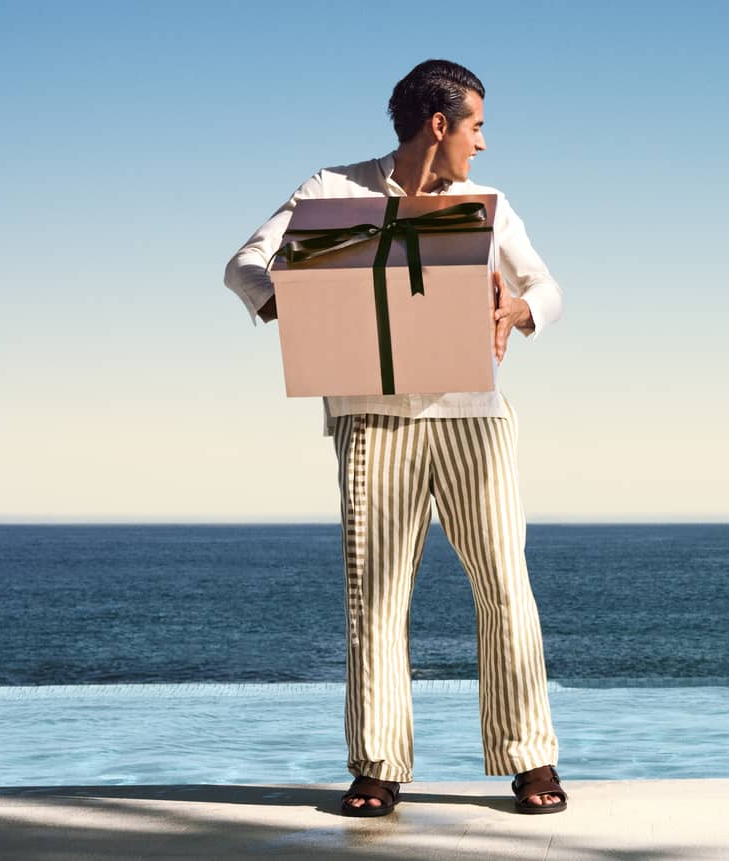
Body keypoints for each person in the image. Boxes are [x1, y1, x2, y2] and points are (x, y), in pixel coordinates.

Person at [223, 60, 568, 816]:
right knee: (374, 597)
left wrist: (515, 312)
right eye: (476, 125)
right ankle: (378, 764)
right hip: (370, 418)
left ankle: (531, 759)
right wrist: (290, 303)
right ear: (438, 125)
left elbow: (547, 285)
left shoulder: (488, 205)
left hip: (472, 417)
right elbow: (244, 263)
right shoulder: (329, 192)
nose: (482, 142)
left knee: (505, 585)